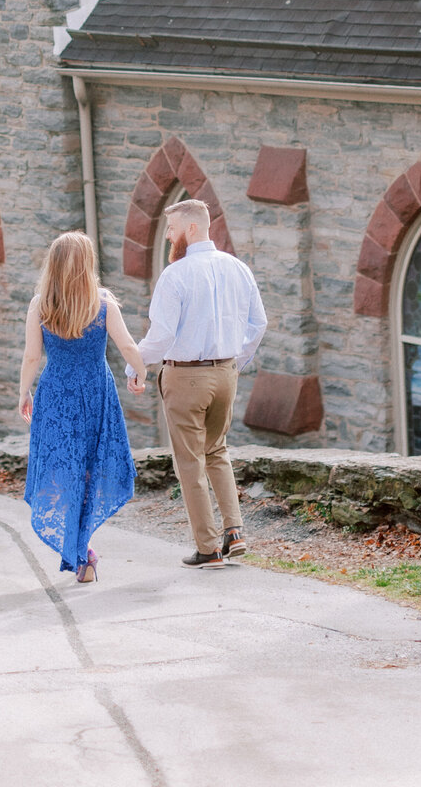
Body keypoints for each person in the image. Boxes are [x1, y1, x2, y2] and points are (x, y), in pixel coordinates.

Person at [130, 198, 268, 569]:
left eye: (172, 229)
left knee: (190, 462)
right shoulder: (238, 268)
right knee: (217, 451)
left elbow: (160, 336)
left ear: (191, 229)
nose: (169, 236)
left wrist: (135, 366)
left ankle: (208, 548)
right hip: (226, 374)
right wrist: (234, 362)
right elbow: (259, 325)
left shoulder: (175, 275)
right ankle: (235, 531)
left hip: (186, 376)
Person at [19, 231, 147, 583]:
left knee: (66, 468)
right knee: (90, 466)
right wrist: (142, 371)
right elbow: (128, 346)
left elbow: (32, 356)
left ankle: (81, 553)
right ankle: (83, 550)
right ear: (87, 263)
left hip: (57, 394)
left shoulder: (40, 304)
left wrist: (23, 393)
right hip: (94, 393)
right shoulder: (103, 303)